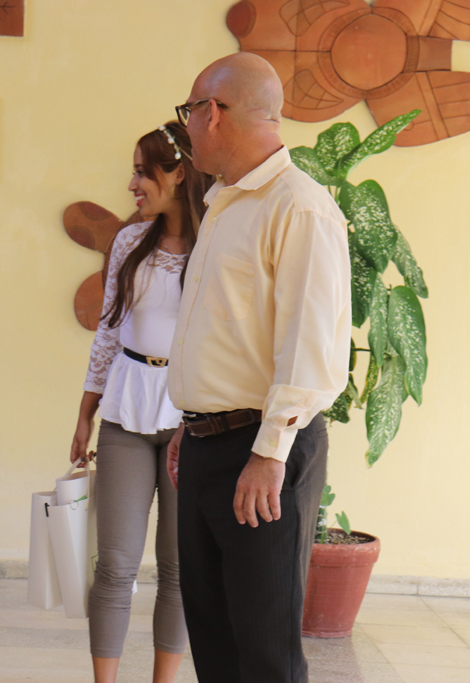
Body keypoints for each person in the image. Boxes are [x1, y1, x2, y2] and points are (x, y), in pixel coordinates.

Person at [164, 53, 351, 683]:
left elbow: (312, 343)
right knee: (215, 640)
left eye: (188, 114)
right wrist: (190, 427)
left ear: (211, 113)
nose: (186, 129)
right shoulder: (224, 202)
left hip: (261, 451)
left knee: (265, 651)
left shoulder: (299, 205)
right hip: (207, 445)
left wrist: (270, 454)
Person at [71, 123, 213, 683]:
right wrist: (84, 412)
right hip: (126, 413)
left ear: (178, 173)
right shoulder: (130, 242)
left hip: (192, 420)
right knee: (115, 567)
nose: (132, 183)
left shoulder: (214, 247)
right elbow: (107, 333)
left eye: (142, 170)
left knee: (180, 571)